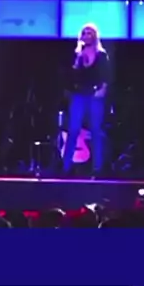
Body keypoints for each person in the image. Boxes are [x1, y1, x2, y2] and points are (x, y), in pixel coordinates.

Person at [62, 23, 109, 178]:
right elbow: (70, 76)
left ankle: (98, 168)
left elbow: (106, 75)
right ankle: (66, 167)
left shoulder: (101, 55)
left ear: (95, 36)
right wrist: (77, 60)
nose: (87, 35)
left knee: (95, 130)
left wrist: (102, 90)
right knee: (73, 129)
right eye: (84, 33)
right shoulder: (77, 54)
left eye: (90, 33)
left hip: (94, 95)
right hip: (79, 95)